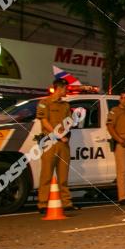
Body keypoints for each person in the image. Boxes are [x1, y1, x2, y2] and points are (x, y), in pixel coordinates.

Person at [36, 79, 77, 214]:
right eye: (66, 88)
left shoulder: (66, 105)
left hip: (63, 144)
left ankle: (66, 202)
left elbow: (69, 122)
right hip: (50, 142)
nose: (67, 91)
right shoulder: (44, 103)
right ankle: (43, 203)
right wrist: (58, 135)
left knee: (63, 175)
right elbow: (44, 121)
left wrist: (65, 132)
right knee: (46, 174)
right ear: (59, 88)